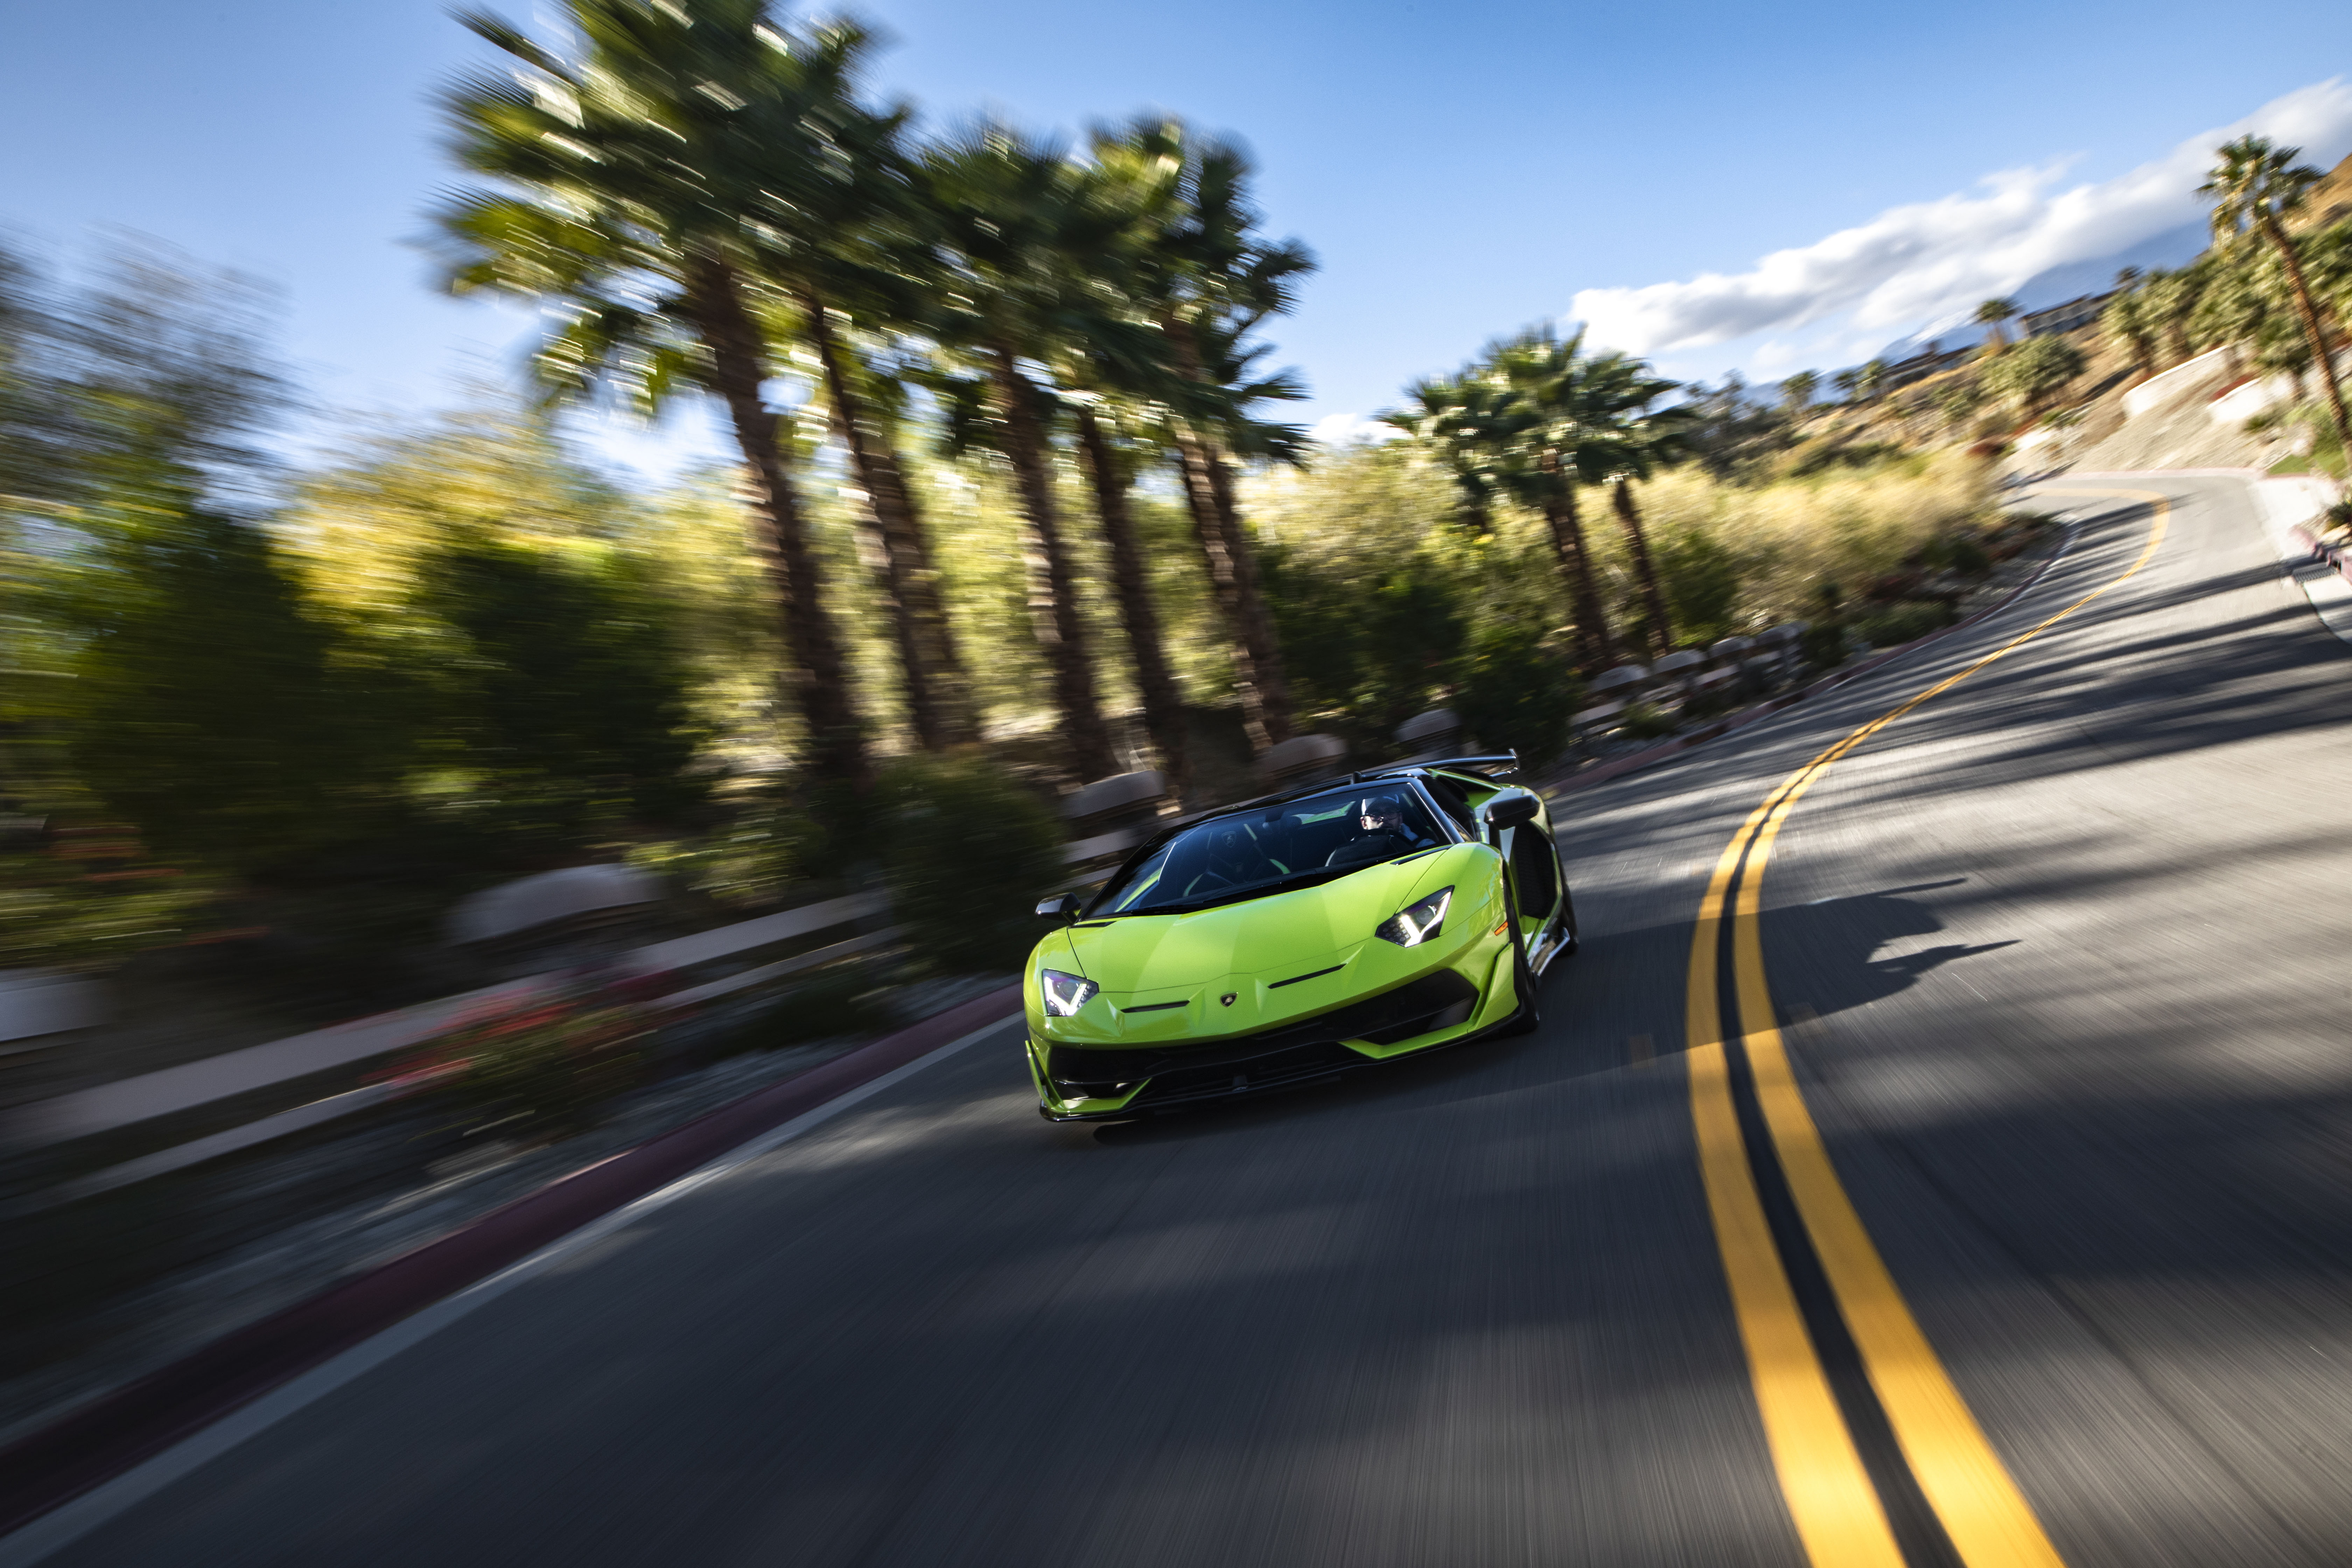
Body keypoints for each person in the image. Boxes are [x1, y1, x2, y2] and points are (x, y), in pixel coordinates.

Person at [1325, 794, 1420, 867]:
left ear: (1400, 819)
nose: (1384, 818)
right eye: (1375, 814)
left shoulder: (1423, 847)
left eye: (1391, 812)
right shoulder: (1344, 856)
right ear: (1364, 823)